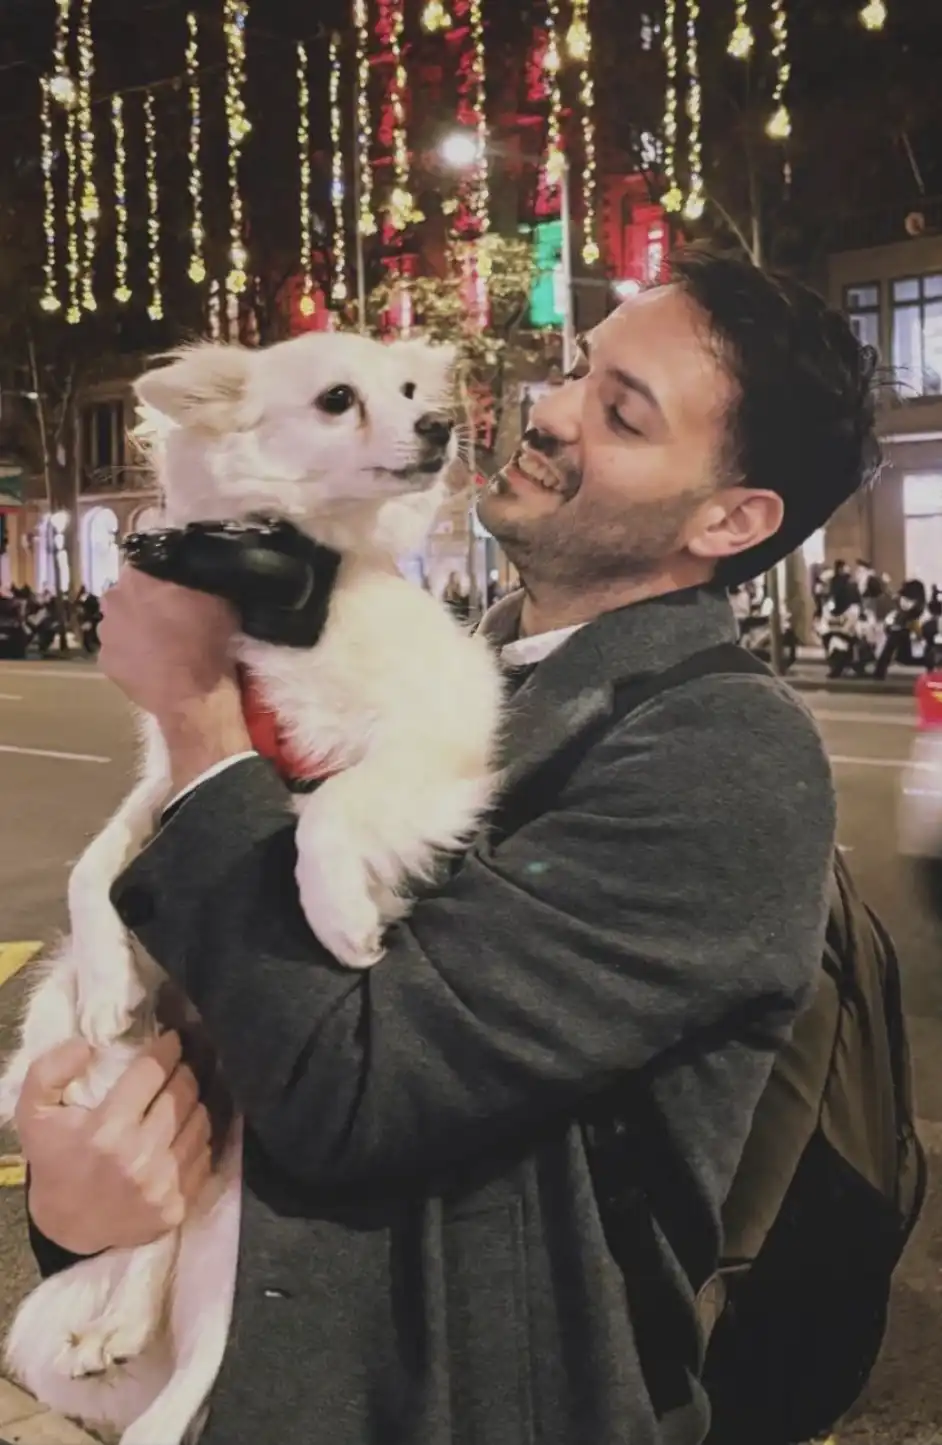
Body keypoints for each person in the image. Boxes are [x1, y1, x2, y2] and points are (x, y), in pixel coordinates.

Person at [18, 249, 880, 1445]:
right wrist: (79, 1207)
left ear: (729, 518)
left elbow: (354, 1087)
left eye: (622, 413)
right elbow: (228, 1025)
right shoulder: (457, 660)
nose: (551, 410)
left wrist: (198, 718)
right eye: (577, 370)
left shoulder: (725, 757)